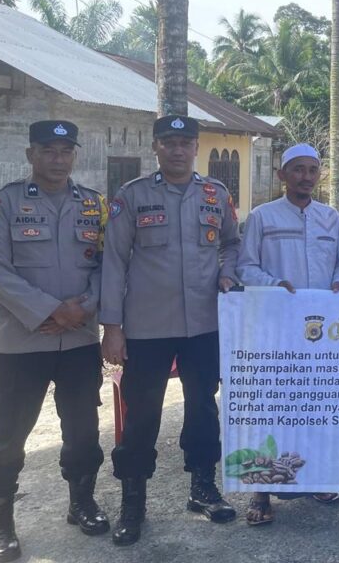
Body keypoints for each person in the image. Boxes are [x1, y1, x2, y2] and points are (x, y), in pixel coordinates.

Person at [100, 115, 240, 546]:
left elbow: (232, 243)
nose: (177, 150)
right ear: (155, 147)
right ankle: (133, 503)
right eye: (168, 142)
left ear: (196, 146)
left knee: (202, 409)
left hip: (202, 324)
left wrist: (227, 273)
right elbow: (113, 262)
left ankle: (202, 487)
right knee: (142, 415)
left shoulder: (216, 195)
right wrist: (112, 327)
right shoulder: (133, 196)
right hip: (147, 328)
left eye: (185, 142)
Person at [0, 121, 110, 562]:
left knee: (83, 431)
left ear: (76, 155)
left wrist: (84, 308)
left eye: (66, 151)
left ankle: (82, 502)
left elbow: (109, 265)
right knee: (7, 437)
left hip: (79, 342)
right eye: (48, 151)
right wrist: (53, 311)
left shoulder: (94, 206)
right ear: (31, 154)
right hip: (20, 344)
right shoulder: (2, 205)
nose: (58, 159)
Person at [236, 143, 339, 526]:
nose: (305, 177)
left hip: (320, 335)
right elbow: (245, 268)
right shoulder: (262, 217)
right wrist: (275, 284)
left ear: (319, 175)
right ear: (282, 176)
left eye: (312, 170)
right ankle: (261, 491)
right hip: (274, 331)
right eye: (297, 170)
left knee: (317, 407)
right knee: (270, 408)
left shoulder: (332, 219)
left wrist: (338, 283)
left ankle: (317, 479)